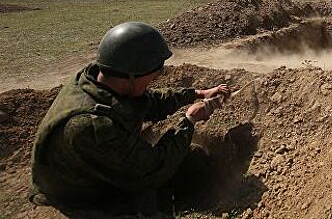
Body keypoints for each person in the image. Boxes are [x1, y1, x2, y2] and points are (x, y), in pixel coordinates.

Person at [29, 22, 230, 215]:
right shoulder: (93, 125)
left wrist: (197, 94)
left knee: (191, 157)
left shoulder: (98, 81)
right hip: (80, 197)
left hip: (96, 172)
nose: (156, 78)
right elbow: (153, 169)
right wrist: (189, 121)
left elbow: (148, 102)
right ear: (132, 75)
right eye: (153, 74)